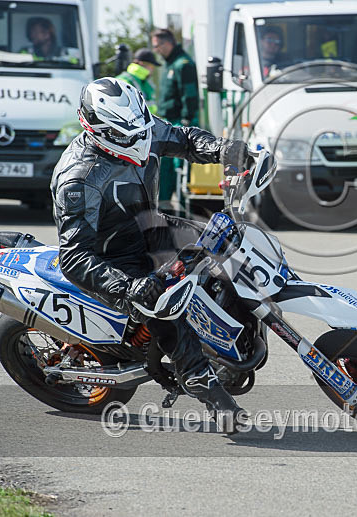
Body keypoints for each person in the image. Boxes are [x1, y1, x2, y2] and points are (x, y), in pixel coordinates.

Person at [51, 77, 253, 424]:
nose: (140, 140)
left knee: (227, 247)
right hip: (112, 259)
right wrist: (128, 285)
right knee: (163, 305)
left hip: (150, 226)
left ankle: (239, 333)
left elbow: (183, 137)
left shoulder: (137, 126)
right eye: (127, 135)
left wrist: (222, 149)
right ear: (97, 129)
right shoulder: (79, 178)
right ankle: (199, 378)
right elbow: (74, 257)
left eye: (142, 128)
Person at [151, 28, 199, 205]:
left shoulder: (183, 64)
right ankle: (164, 207)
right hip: (167, 123)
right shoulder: (170, 64)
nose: (156, 50)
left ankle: (185, 207)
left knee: (180, 168)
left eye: (158, 46)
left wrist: (186, 121)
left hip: (179, 123)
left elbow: (190, 95)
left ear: (168, 43)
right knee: (165, 168)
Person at [116, 47, 160, 114]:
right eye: (152, 66)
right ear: (142, 63)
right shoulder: (124, 80)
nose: (153, 69)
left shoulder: (144, 81)